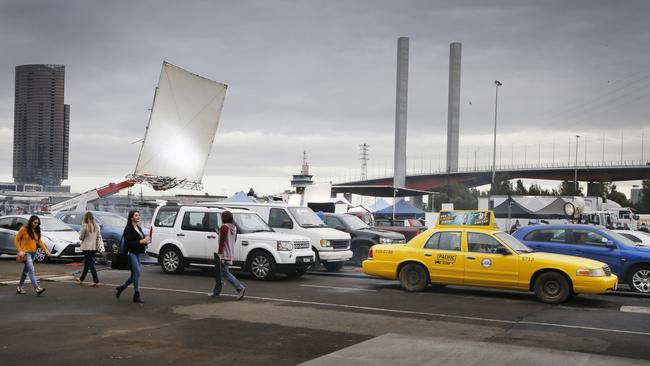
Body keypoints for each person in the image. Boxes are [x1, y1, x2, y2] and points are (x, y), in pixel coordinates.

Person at [115, 210, 150, 303]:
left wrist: (146, 240)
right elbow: (128, 243)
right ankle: (136, 294)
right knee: (137, 272)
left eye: (139, 215)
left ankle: (122, 287)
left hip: (138, 253)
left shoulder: (138, 227)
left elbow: (141, 239)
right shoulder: (128, 229)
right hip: (131, 253)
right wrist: (140, 242)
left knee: (135, 274)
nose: (138, 217)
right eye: (136, 215)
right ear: (131, 217)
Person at [210, 211, 245, 299]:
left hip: (223, 253)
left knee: (224, 273)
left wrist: (220, 253)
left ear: (223, 218)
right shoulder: (234, 227)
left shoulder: (224, 227)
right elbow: (234, 239)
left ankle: (240, 287)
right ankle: (216, 291)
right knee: (221, 272)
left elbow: (222, 241)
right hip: (230, 252)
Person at [14, 215, 48, 295]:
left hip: (33, 253)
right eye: (35, 223)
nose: (36, 224)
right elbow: (16, 240)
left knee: (25, 272)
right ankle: (37, 288)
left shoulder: (36, 230)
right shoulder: (23, 229)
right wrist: (20, 251)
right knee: (31, 271)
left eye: (38, 223)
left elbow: (39, 241)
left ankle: (19, 287)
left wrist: (45, 249)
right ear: (31, 221)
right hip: (26, 253)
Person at [77, 212, 104, 286]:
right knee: (87, 264)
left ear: (85, 218)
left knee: (91, 264)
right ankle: (81, 279)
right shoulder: (97, 226)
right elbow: (98, 236)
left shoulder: (85, 226)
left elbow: (81, 237)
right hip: (94, 247)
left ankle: (96, 281)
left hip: (86, 247)